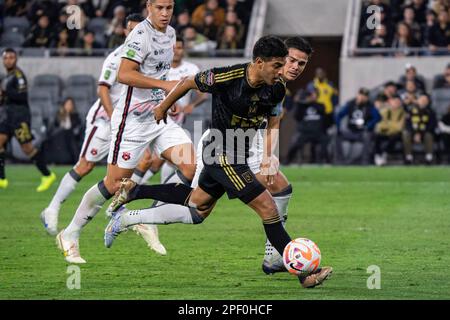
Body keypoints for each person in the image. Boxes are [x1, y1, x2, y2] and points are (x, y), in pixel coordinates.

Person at [104, 35, 333, 288]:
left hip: (239, 153)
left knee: (198, 204)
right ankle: (303, 274)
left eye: (293, 65)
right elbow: (189, 81)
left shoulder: (276, 88)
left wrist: (269, 158)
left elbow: (274, 121)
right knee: (268, 207)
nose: (284, 71)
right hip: (221, 152)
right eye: (279, 65)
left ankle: (134, 191)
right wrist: (163, 107)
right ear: (259, 62)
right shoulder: (228, 77)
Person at [55, 0, 196, 264]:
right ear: (149, 6)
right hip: (132, 121)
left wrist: (168, 98)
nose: (165, 13)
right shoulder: (139, 35)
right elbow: (125, 74)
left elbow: (160, 75)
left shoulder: (171, 33)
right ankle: (70, 233)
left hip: (158, 117)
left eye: (169, 8)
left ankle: (146, 217)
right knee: (113, 184)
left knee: (191, 168)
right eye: (160, 8)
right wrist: (166, 86)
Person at [130, 37, 208, 185]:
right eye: (174, 48)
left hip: (177, 118)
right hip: (155, 116)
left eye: (179, 48)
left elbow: (203, 94)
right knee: (153, 160)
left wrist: (192, 105)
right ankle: (136, 188)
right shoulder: (160, 67)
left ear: (183, 50)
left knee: (162, 160)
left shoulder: (191, 69)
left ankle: (140, 188)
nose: (176, 51)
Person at [0, 48, 56, 191]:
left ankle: (47, 175)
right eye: (6, 58)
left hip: (20, 116)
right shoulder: (6, 77)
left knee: (27, 148)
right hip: (7, 115)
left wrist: (5, 92)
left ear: (16, 59)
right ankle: (2, 179)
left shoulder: (18, 76)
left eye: (11, 57)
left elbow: (22, 96)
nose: (8, 60)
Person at [335, 88, 381, 165]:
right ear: (358, 95)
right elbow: (339, 115)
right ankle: (340, 160)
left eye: (365, 96)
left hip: (362, 132)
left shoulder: (369, 106)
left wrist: (368, 126)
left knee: (367, 136)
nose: (363, 97)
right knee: (337, 135)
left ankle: (364, 161)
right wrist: (338, 125)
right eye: (361, 95)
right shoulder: (351, 104)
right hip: (351, 131)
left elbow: (378, 117)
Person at [285, 88, 329, 164]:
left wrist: (311, 102)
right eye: (310, 94)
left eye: (313, 94)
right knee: (295, 144)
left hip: (318, 132)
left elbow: (323, 113)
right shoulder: (302, 106)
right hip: (304, 132)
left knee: (325, 143)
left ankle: (326, 162)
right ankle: (287, 161)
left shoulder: (320, 105)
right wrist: (299, 103)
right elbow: (297, 117)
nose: (311, 96)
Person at [402, 94, 437, 164]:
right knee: (406, 134)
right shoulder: (411, 110)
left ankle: (429, 157)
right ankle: (408, 157)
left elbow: (432, 125)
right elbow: (408, 124)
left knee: (428, 135)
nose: (423, 102)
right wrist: (415, 133)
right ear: (417, 101)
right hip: (412, 132)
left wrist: (420, 133)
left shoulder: (431, 112)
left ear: (428, 102)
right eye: (422, 100)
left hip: (425, 132)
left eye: (425, 100)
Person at [373, 94, 406, 166]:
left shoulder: (402, 113)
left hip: (395, 133)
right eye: (395, 102)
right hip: (385, 132)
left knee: (394, 137)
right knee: (376, 135)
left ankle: (385, 154)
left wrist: (388, 124)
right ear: (391, 102)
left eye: (398, 102)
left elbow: (399, 127)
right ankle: (377, 155)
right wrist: (392, 125)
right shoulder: (385, 111)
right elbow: (380, 125)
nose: (396, 103)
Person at [53, 97, 82, 163]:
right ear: (64, 105)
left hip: (71, 135)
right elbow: (56, 125)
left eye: (70, 104)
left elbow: (76, 126)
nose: (69, 106)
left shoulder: (75, 115)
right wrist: (64, 115)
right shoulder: (59, 114)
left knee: (70, 136)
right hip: (60, 135)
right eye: (67, 104)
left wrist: (69, 114)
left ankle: (75, 160)